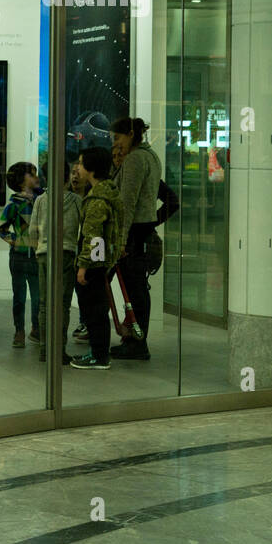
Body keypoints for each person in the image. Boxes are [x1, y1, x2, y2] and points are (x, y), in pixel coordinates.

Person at [110, 116, 161, 361]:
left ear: (130, 135)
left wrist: (120, 241)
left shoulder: (135, 159)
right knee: (137, 290)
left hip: (133, 232)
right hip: (143, 229)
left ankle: (137, 342)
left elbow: (126, 203)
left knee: (135, 291)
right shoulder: (150, 156)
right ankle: (134, 338)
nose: (116, 144)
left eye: (118, 138)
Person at [71, 146, 127, 370]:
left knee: (93, 310)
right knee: (98, 309)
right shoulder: (110, 192)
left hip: (95, 263)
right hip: (106, 260)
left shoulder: (97, 200)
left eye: (82, 163)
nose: (78, 167)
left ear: (92, 169)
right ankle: (99, 353)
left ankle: (98, 355)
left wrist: (85, 266)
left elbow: (93, 236)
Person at [28, 159, 82, 363]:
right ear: (67, 176)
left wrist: (38, 248)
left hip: (43, 254)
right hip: (66, 254)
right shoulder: (76, 201)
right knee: (63, 304)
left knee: (44, 304)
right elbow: (82, 228)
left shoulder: (41, 200)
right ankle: (59, 349)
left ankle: (44, 349)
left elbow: (33, 230)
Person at [0, 161, 40, 348]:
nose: (36, 178)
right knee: (19, 297)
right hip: (19, 257)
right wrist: (16, 241)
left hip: (37, 256)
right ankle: (19, 330)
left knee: (39, 298)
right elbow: (2, 229)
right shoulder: (14, 205)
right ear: (22, 181)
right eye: (32, 174)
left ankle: (36, 329)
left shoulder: (41, 200)